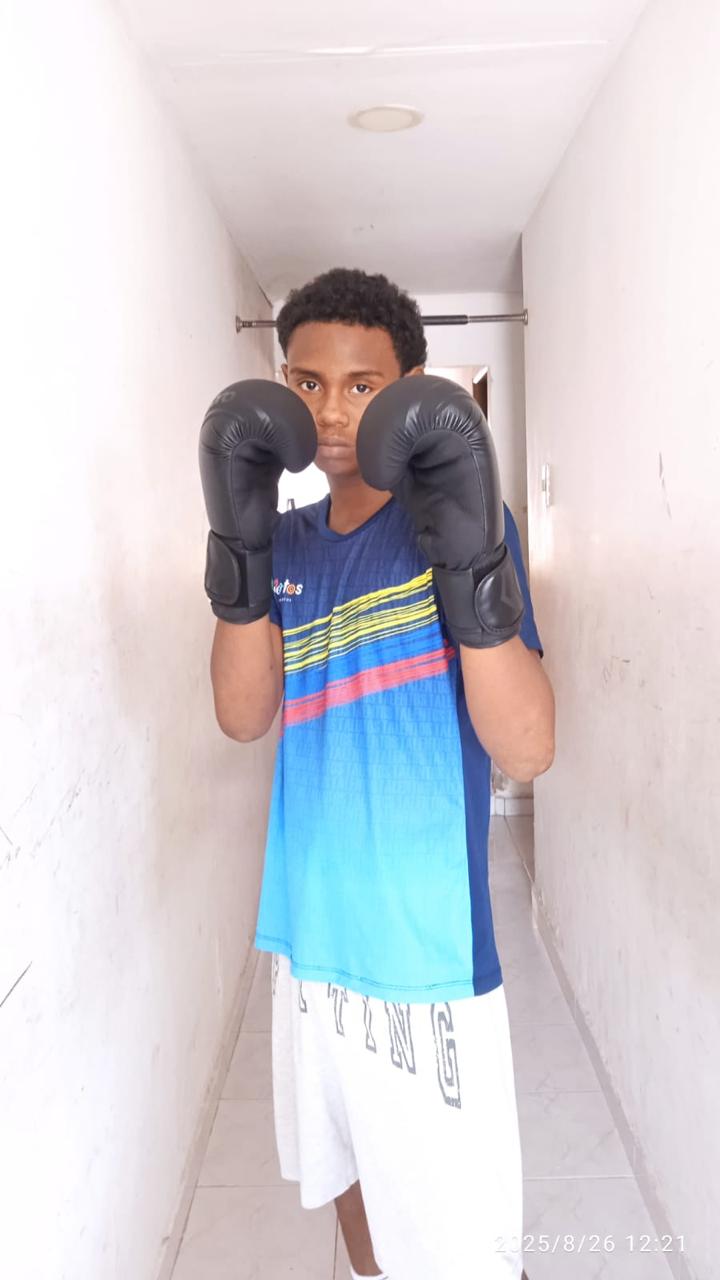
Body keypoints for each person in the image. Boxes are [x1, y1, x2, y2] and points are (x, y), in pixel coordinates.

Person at [199, 267, 556, 1280]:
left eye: (363, 385)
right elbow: (242, 717)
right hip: (311, 936)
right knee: (351, 1182)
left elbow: (528, 749)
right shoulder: (280, 542)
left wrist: (472, 570)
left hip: (425, 950)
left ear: (409, 392)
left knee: (459, 1240)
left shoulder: (463, 528)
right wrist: (237, 552)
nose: (332, 410)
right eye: (307, 383)